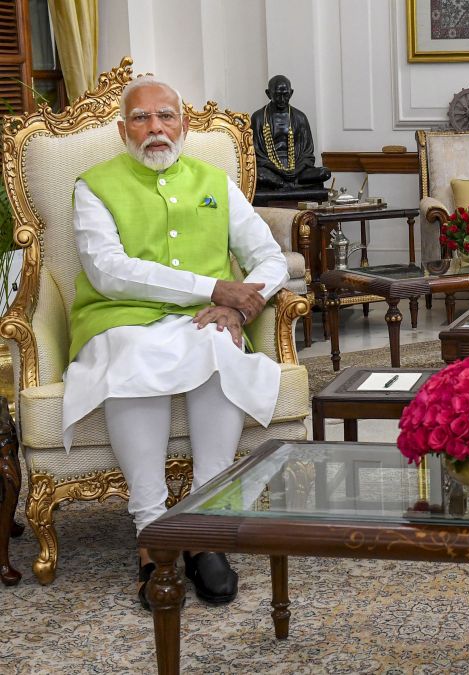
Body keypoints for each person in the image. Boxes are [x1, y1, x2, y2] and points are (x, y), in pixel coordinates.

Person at [64, 75, 289, 610]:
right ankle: (152, 534)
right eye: (141, 118)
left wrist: (236, 304)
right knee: (135, 357)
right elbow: (109, 271)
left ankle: (205, 527)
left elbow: (270, 258)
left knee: (218, 346)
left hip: (202, 318)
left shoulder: (215, 180)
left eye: (165, 116)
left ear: (183, 126)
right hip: (120, 319)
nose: (155, 128)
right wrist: (212, 287)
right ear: (123, 129)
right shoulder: (93, 185)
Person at [250, 74, 331, 191]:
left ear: (291, 93)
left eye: (285, 95)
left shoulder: (300, 117)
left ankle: (282, 185)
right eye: (277, 95)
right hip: (271, 170)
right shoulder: (258, 118)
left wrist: (296, 170)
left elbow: (307, 154)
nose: (282, 100)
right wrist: (279, 171)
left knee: (325, 172)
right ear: (268, 94)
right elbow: (256, 154)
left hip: (296, 169)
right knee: (258, 176)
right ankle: (292, 184)